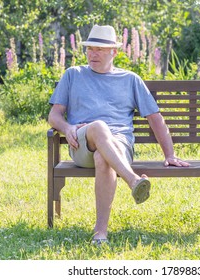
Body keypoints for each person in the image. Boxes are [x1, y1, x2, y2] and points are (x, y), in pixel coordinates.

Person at [48, 25, 189, 244]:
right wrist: (67, 128)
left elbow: (155, 118)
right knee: (99, 127)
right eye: (90, 49)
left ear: (114, 52)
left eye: (100, 49)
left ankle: (100, 233)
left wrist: (169, 154)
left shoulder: (130, 79)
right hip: (82, 143)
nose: (93, 54)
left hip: (119, 145)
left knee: (103, 158)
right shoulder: (73, 75)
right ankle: (133, 180)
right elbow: (54, 116)